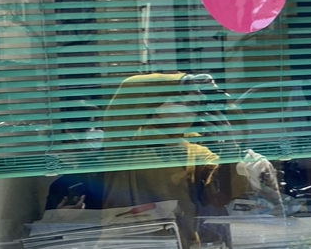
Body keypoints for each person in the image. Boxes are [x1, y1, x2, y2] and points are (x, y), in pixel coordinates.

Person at [60, 72, 279, 246]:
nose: (188, 109)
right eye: (179, 100)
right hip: (126, 241)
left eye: (194, 105)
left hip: (179, 241)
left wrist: (230, 151)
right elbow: (128, 93)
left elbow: (221, 196)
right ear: (155, 102)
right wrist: (182, 80)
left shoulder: (196, 153)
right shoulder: (125, 142)